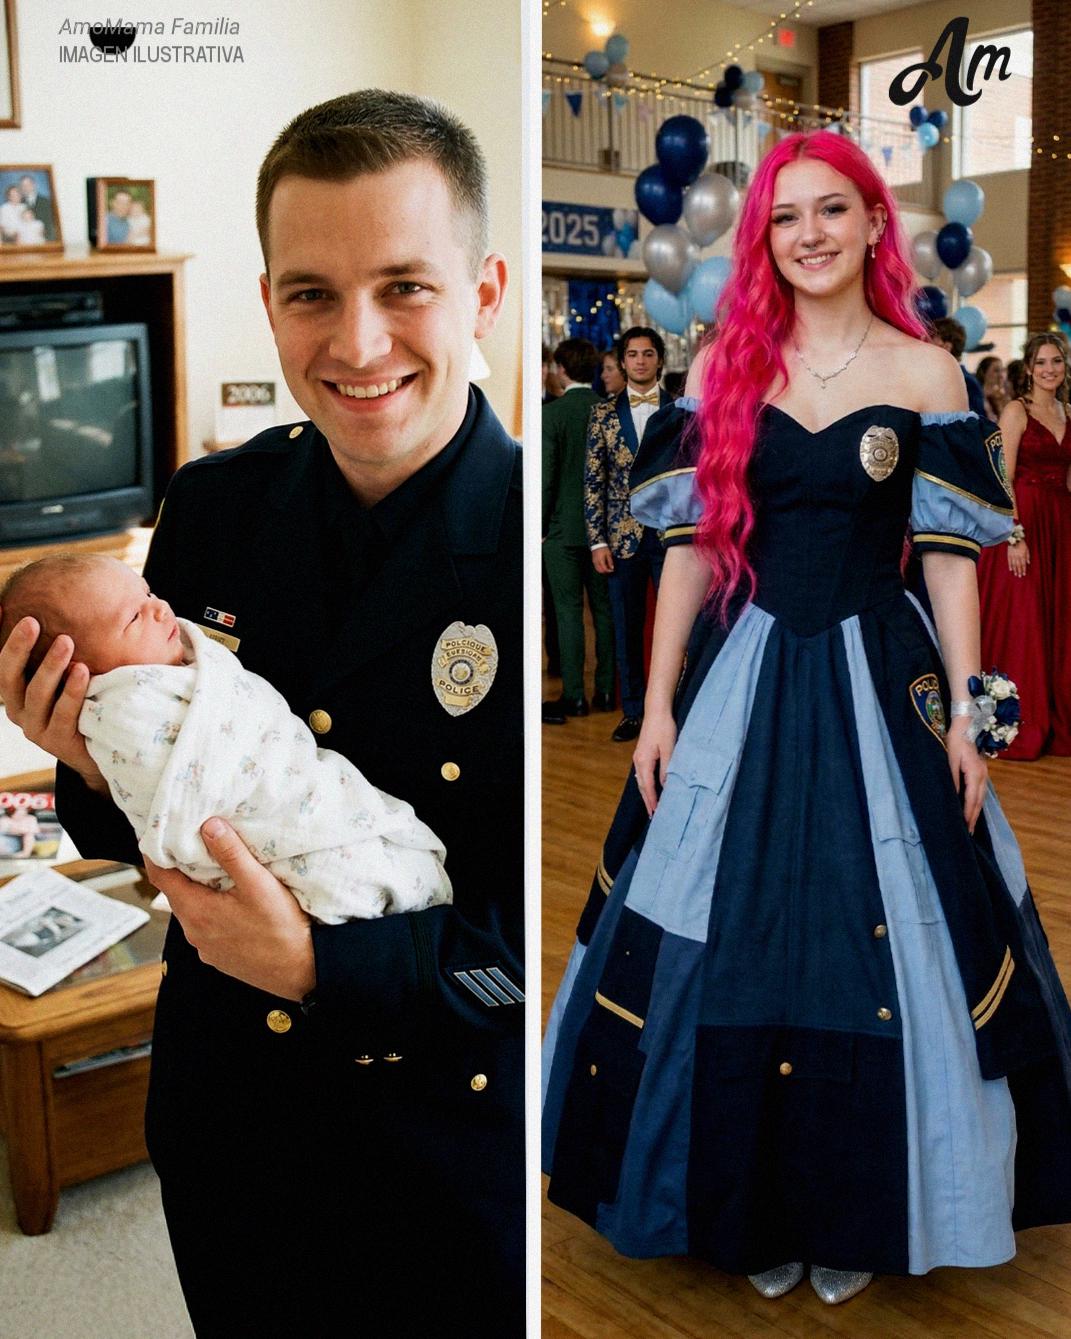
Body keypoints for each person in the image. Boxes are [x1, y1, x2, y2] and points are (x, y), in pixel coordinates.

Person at [0, 89, 523, 1337]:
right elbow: (150, 807)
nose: (356, 342)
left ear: (486, 293)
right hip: (232, 1122)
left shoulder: (545, 551)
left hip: (444, 1146)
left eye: (405, 285)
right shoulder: (213, 508)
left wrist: (316, 962)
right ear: (269, 295)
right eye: (310, 292)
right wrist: (80, 750)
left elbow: (539, 950)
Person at [544, 129, 1071, 1309]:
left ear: (875, 224)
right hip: (745, 669)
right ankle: (752, 1203)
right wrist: (659, 701)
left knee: (875, 934)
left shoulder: (929, 372)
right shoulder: (724, 367)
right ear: (763, 239)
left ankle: (855, 1204)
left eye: (834, 210)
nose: (811, 234)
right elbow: (685, 549)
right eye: (788, 217)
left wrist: (974, 723)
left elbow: (949, 566)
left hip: (884, 676)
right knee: (726, 933)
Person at [0, 553, 453, 923]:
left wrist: (313, 967)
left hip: (431, 971)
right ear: (83, 671)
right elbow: (166, 801)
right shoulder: (124, 708)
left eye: (149, 594)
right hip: (238, 930)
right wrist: (90, 765)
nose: (162, 609)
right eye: (135, 617)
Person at [976, 332, 1071, 759]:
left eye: (1057, 362)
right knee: (1027, 624)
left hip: (1060, 525)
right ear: (1029, 369)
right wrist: (1013, 534)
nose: (1050, 369)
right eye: (1041, 363)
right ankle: (1018, 720)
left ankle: (1057, 718)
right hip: (1023, 527)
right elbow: (1001, 477)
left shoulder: (1068, 411)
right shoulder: (1017, 411)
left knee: (1059, 621)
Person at [585, 326, 671, 743]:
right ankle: (634, 711)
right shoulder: (603, 413)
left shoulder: (680, 408)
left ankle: (674, 706)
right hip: (622, 537)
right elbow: (593, 481)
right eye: (633, 354)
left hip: (675, 533)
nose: (640, 361)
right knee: (626, 626)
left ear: (659, 360)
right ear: (623, 362)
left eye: (648, 354)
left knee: (678, 626)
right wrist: (597, 540)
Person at [542, 337, 615, 723]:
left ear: (562, 369)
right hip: (605, 530)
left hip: (561, 530)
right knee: (604, 613)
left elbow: (547, 474)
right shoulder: (608, 410)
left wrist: (539, 528)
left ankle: (574, 696)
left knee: (568, 613)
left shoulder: (552, 415)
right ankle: (605, 691)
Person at [930, 316, 987, 418]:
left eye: (930, 342)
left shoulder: (966, 382)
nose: (925, 347)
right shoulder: (943, 378)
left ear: (946, 347)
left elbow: (973, 424)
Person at [19, 174, 54, 241]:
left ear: (34, 185)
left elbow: (50, 222)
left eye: (28, 185)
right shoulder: (20, 202)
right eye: (23, 186)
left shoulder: (45, 201)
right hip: (26, 238)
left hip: (44, 237)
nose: (25, 188)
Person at [975, 354, 1008, 424]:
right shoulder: (977, 397)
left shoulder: (1004, 397)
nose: (1001, 375)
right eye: (996, 371)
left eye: (1002, 370)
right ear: (984, 373)